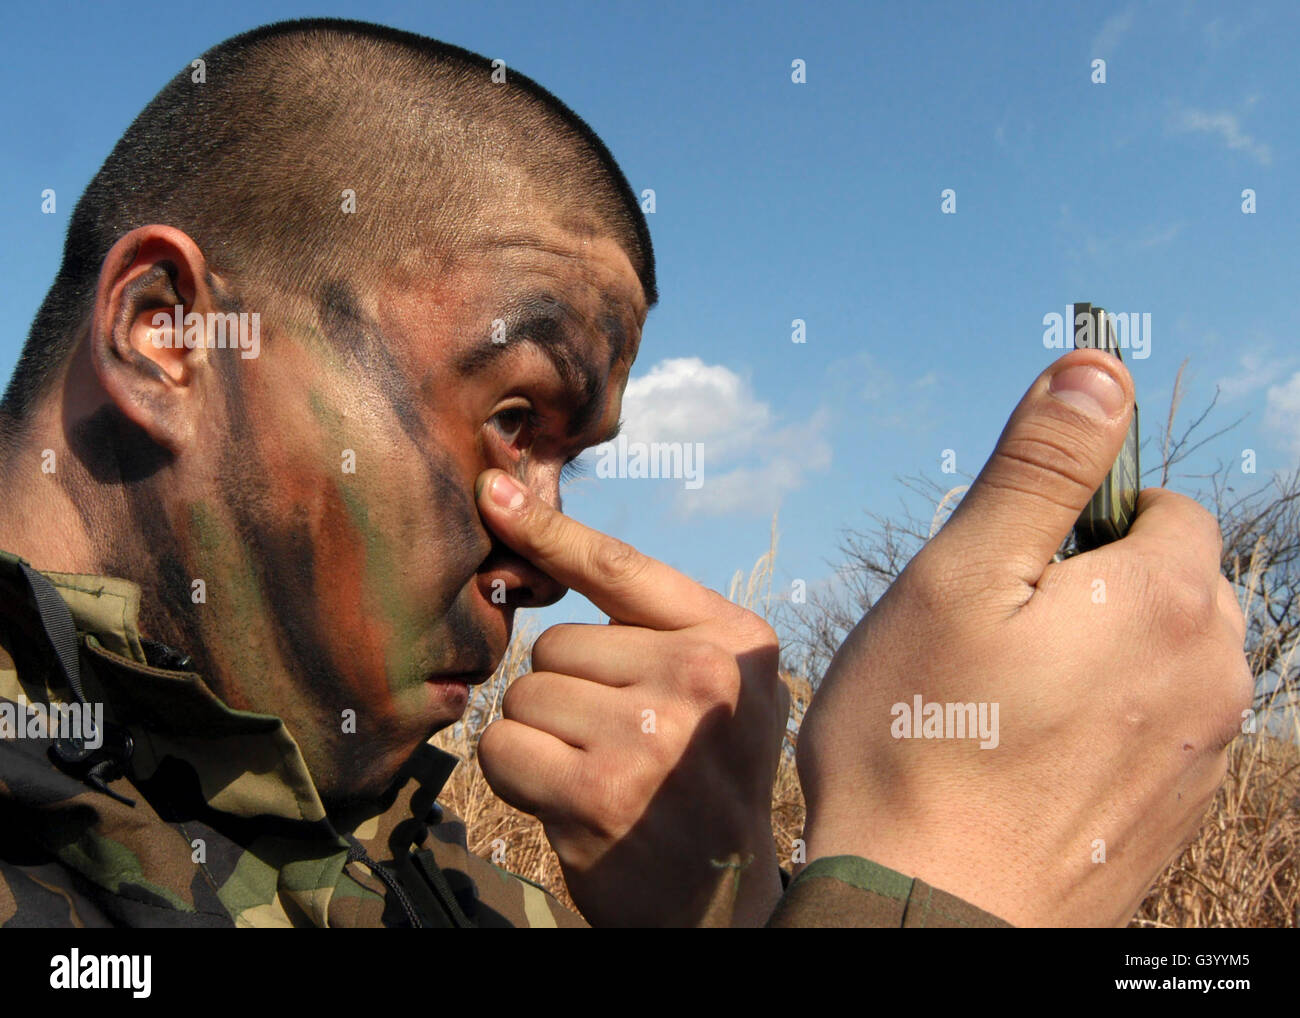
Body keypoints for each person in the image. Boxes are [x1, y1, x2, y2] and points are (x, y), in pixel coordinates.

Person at [0, 18, 1250, 929]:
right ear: (168, 334)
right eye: (510, 417)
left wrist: (740, 910)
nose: (539, 557)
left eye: (571, 463)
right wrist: (942, 883)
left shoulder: (434, 877)